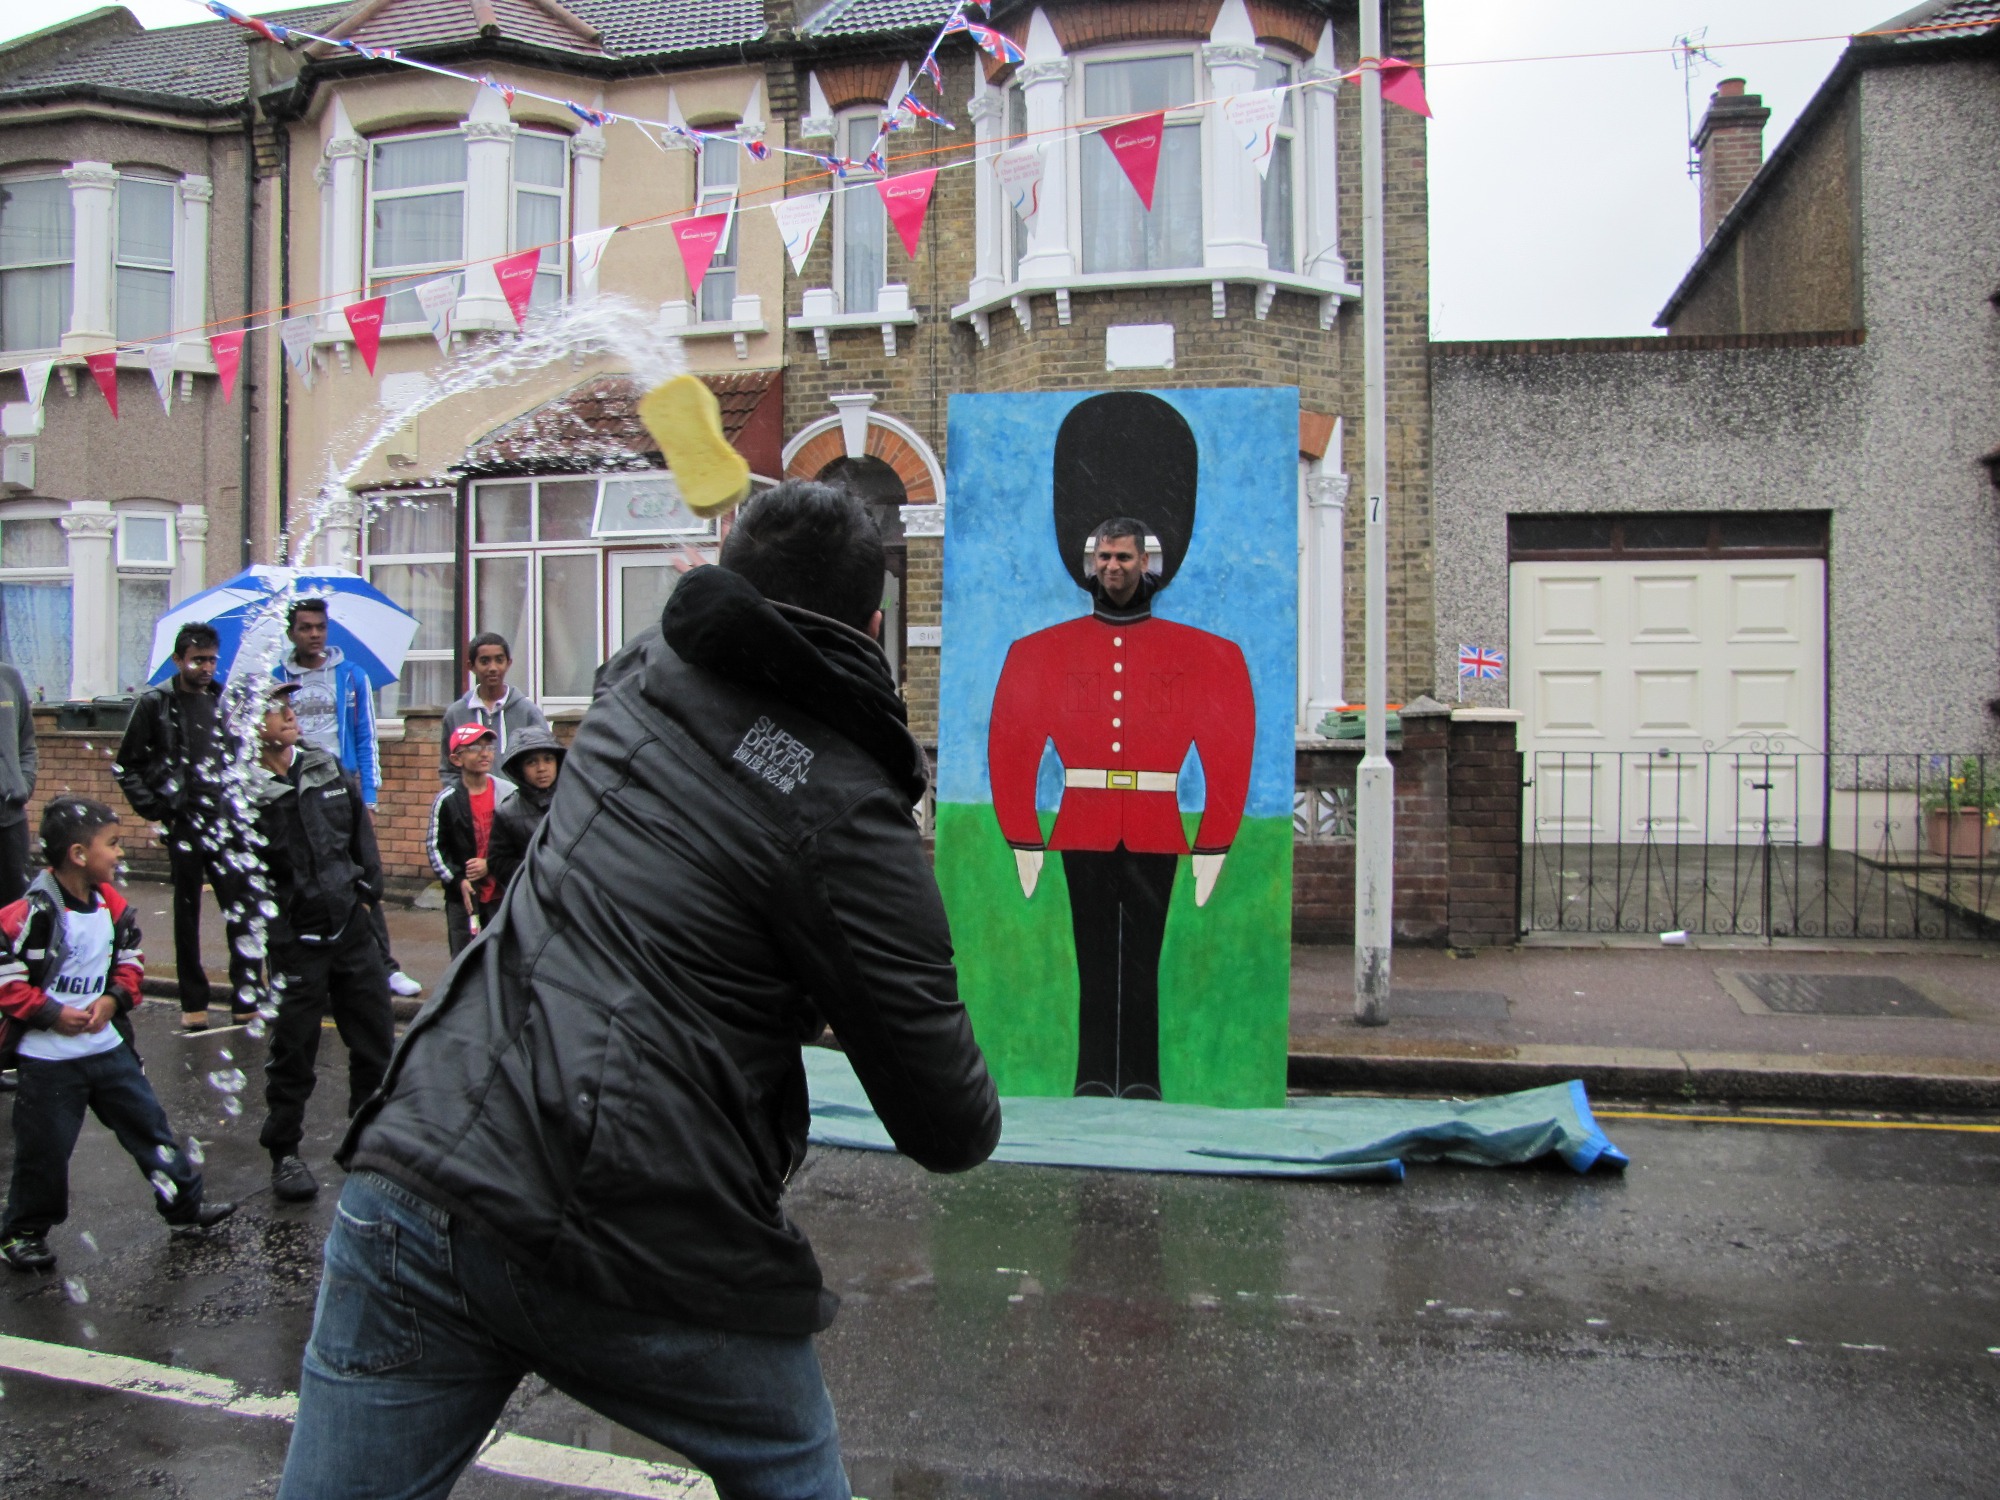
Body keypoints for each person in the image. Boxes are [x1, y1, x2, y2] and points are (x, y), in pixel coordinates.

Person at [280, 480, 999, 1500]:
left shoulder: (637, 681)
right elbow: (952, 1124)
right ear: (873, 626)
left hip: (426, 1161)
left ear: (725, 584)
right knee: (790, 1465)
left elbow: (704, 711)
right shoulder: (848, 811)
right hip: (644, 1226)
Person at [987, 393, 1255, 1101]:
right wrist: (1024, 834)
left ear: (1147, 560)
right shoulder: (1040, 653)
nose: (1113, 567)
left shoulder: (1206, 655)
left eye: (1125, 556)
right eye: (1104, 556)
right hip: (1080, 822)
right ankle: (1090, 1076)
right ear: (1089, 561)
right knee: (1090, 956)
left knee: (1143, 960)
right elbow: (1013, 742)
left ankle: (1139, 1076)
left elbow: (1227, 747)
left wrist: (1214, 842)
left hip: (1159, 828)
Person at [0, 798, 235, 1272]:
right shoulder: (27, 914)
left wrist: (113, 1001)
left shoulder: (113, 907)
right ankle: (23, 1233)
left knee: (151, 1129)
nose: (121, 853)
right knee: (44, 1151)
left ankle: (184, 1206)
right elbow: (6, 981)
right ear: (78, 854)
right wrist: (50, 1013)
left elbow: (131, 964)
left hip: (108, 1049)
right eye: (112, 844)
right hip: (48, 1060)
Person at [248, 682, 395, 1207]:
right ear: (250, 721)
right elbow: (240, 878)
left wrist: (366, 894)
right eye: (276, 709)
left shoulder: (326, 768)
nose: (289, 714)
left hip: (350, 928)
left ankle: (367, 1137)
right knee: (294, 1049)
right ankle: (284, 1150)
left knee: (375, 1039)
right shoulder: (246, 791)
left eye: (290, 706)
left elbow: (361, 837)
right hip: (296, 941)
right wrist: (271, 934)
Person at [272, 599, 421, 1001]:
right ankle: (317, 968)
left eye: (320, 627)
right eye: (305, 627)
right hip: (296, 789)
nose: (314, 634)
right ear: (292, 633)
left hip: (341, 786)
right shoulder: (276, 680)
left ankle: (384, 965)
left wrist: (369, 796)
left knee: (360, 876)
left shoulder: (351, 676)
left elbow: (365, 737)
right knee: (306, 880)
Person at [114, 622, 261, 1032]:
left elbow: (239, 758)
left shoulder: (223, 700)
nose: (206, 667)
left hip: (225, 822)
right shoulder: (155, 703)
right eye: (198, 660)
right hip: (184, 823)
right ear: (179, 660)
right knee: (187, 915)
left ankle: (246, 997)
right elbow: (127, 765)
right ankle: (193, 1003)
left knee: (242, 909)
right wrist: (157, 808)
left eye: (212, 659)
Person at [425, 724, 515, 956]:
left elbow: (520, 840)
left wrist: (491, 864)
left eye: (488, 747)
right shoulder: (447, 800)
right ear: (457, 759)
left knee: (502, 955)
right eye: (474, 747)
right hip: (464, 898)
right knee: (465, 957)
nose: (484, 753)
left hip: (501, 893)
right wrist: (457, 880)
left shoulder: (507, 794)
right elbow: (436, 848)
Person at [439, 633, 549, 787]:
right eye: (484, 661)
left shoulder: (528, 712)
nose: (493, 668)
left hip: (518, 806)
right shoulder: (456, 713)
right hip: (472, 806)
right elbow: (448, 769)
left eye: (499, 660)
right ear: (471, 666)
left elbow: (544, 763)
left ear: (508, 663)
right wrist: (462, 800)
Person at [484, 728, 563, 894]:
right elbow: (499, 862)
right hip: (531, 898)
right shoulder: (506, 812)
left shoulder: (575, 801)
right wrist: (535, 874)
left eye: (548, 759)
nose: (542, 768)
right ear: (519, 768)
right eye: (531, 762)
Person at [0, 658, 38, 903]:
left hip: (10, 820)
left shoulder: (8, 678)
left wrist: (22, 784)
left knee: (16, 912)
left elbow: (27, 744)